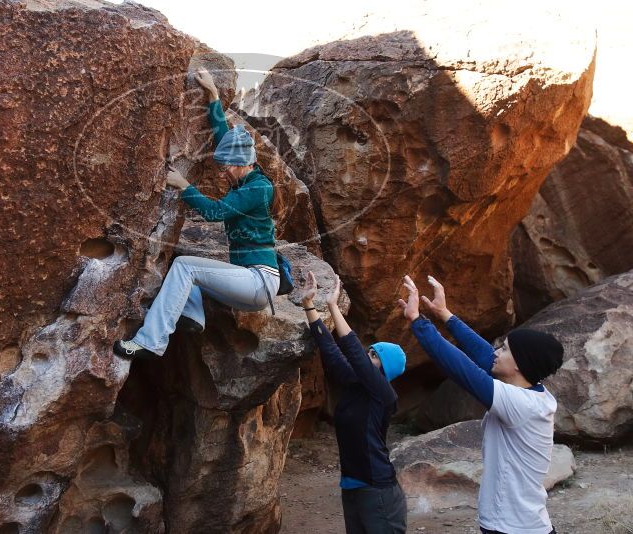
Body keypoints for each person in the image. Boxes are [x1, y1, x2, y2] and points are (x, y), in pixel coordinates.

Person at [114, 67, 285, 361]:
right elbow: (225, 140)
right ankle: (193, 316)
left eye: (231, 165)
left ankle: (149, 342)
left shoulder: (258, 189)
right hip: (252, 282)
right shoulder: (246, 175)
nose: (226, 170)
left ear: (245, 163)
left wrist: (184, 185)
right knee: (183, 265)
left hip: (259, 283)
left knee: (185, 266)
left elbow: (214, 212)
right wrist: (214, 96)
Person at [397, 274, 564, 534]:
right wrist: (445, 315)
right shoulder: (528, 392)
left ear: (521, 363)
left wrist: (418, 321)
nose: (496, 352)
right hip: (508, 524)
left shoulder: (522, 404)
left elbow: (462, 369)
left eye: (505, 349)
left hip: (515, 529)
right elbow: (485, 356)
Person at [301, 270, 408, 534]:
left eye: (374, 355)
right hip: (352, 487)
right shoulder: (354, 383)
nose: (367, 356)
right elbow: (331, 349)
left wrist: (333, 306)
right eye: (370, 351)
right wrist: (309, 306)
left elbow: (352, 350)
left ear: (383, 369)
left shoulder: (384, 395)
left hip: (378, 492)